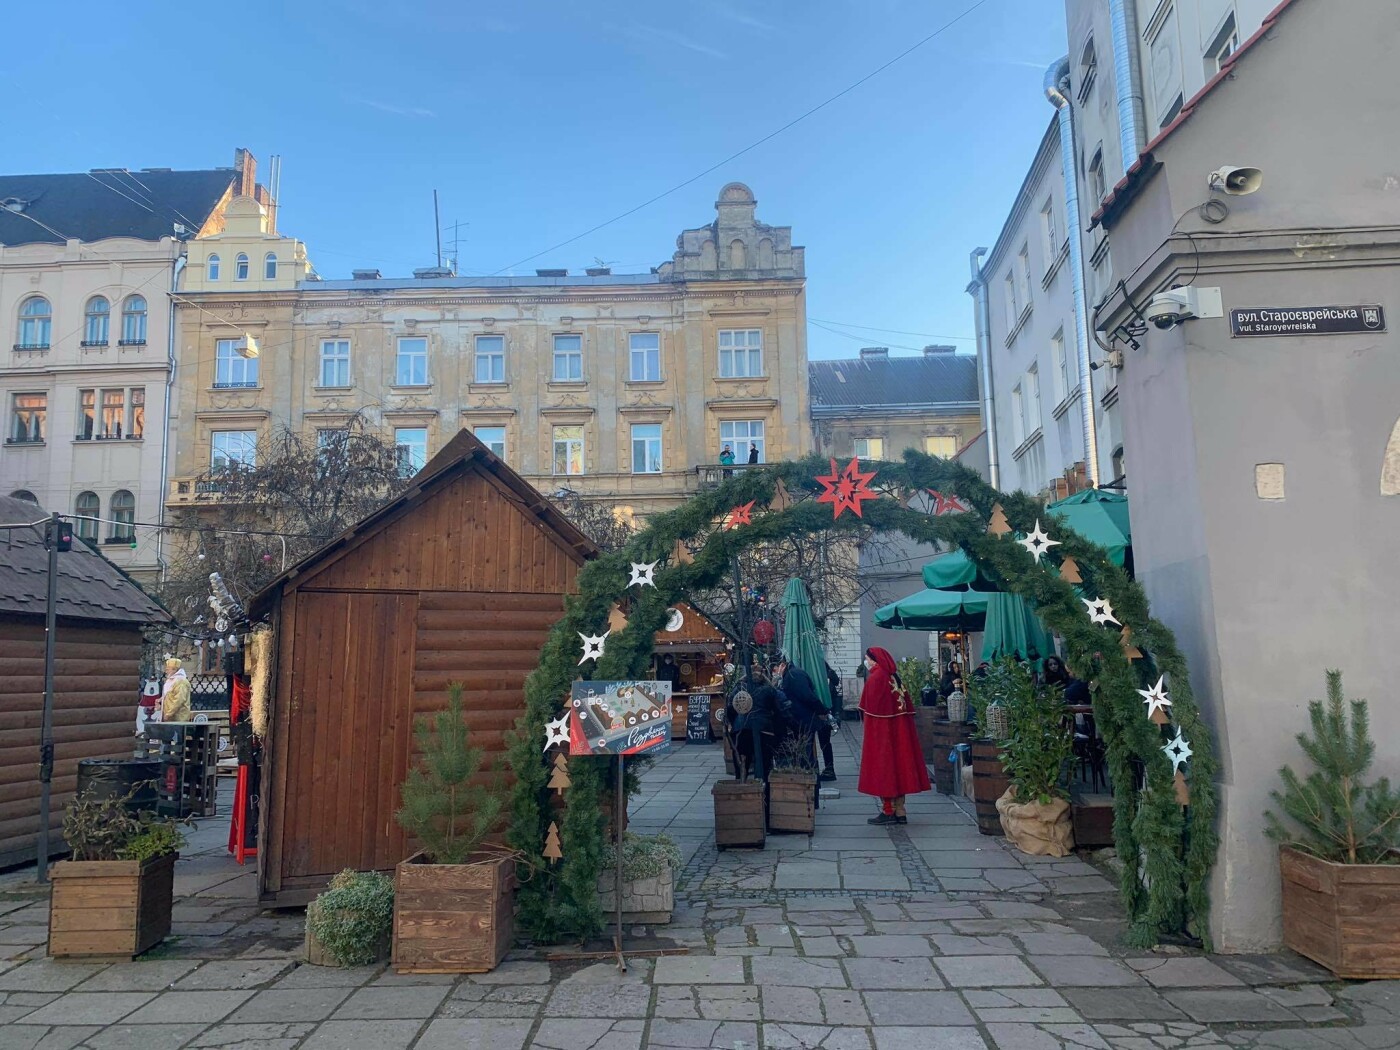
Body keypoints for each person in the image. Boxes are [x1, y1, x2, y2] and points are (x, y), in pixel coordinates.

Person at [857, 647, 931, 824]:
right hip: (900, 734)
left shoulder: (876, 678)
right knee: (899, 768)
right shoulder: (893, 677)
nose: (867, 662)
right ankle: (900, 811)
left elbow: (869, 711)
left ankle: (888, 810)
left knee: (885, 769)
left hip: (882, 734)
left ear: (875, 660)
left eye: (868, 659)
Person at [775, 656, 836, 781]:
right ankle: (813, 775)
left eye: (775, 669)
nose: (775, 673)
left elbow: (807, 696)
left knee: (807, 750)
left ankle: (811, 777)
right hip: (804, 718)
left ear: (782, 665)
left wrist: (822, 710)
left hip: (805, 718)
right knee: (808, 749)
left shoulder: (794, 675)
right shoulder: (792, 674)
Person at [158, 657, 192, 723]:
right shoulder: (171, 680)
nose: (166, 671)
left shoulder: (181, 681)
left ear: (174, 669)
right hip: (169, 717)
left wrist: (169, 713)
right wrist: (161, 699)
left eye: (168, 669)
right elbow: (170, 694)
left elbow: (179, 699)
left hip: (178, 718)